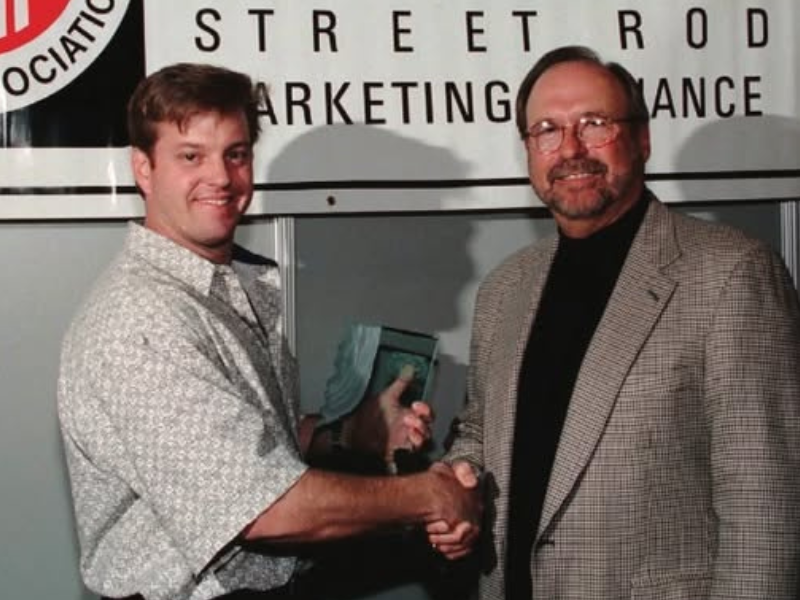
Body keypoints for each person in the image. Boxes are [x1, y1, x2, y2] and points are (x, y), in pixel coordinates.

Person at [57, 63, 481, 600]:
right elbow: (264, 507)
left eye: (235, 154)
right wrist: (432, 495)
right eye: (191, 156)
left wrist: (351, 435)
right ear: (143, 168)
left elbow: (250, 442)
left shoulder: (229, 284)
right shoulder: (140, 319)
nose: (221, 177)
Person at [444, 45, 800, 599]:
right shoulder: (504, 289)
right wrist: (458, 483)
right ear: (529, 151)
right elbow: (479, 432)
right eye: (547, 130)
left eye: (594, 124)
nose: (570, 149)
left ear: (642, 138)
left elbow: (766, 511)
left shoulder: (731, 274)